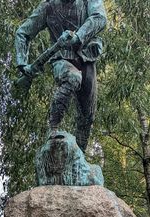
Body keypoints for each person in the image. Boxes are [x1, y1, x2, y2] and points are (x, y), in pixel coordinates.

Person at [15, 0, 107, 153]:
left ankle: (80, 155)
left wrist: (78, 37)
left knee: (88, 115)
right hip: (61, 58)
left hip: (87, 58)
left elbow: (100, 18)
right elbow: (23, 33)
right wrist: (22, 64)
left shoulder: (88, 1)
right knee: (72, 78)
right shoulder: (48, 7)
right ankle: (53, 128)